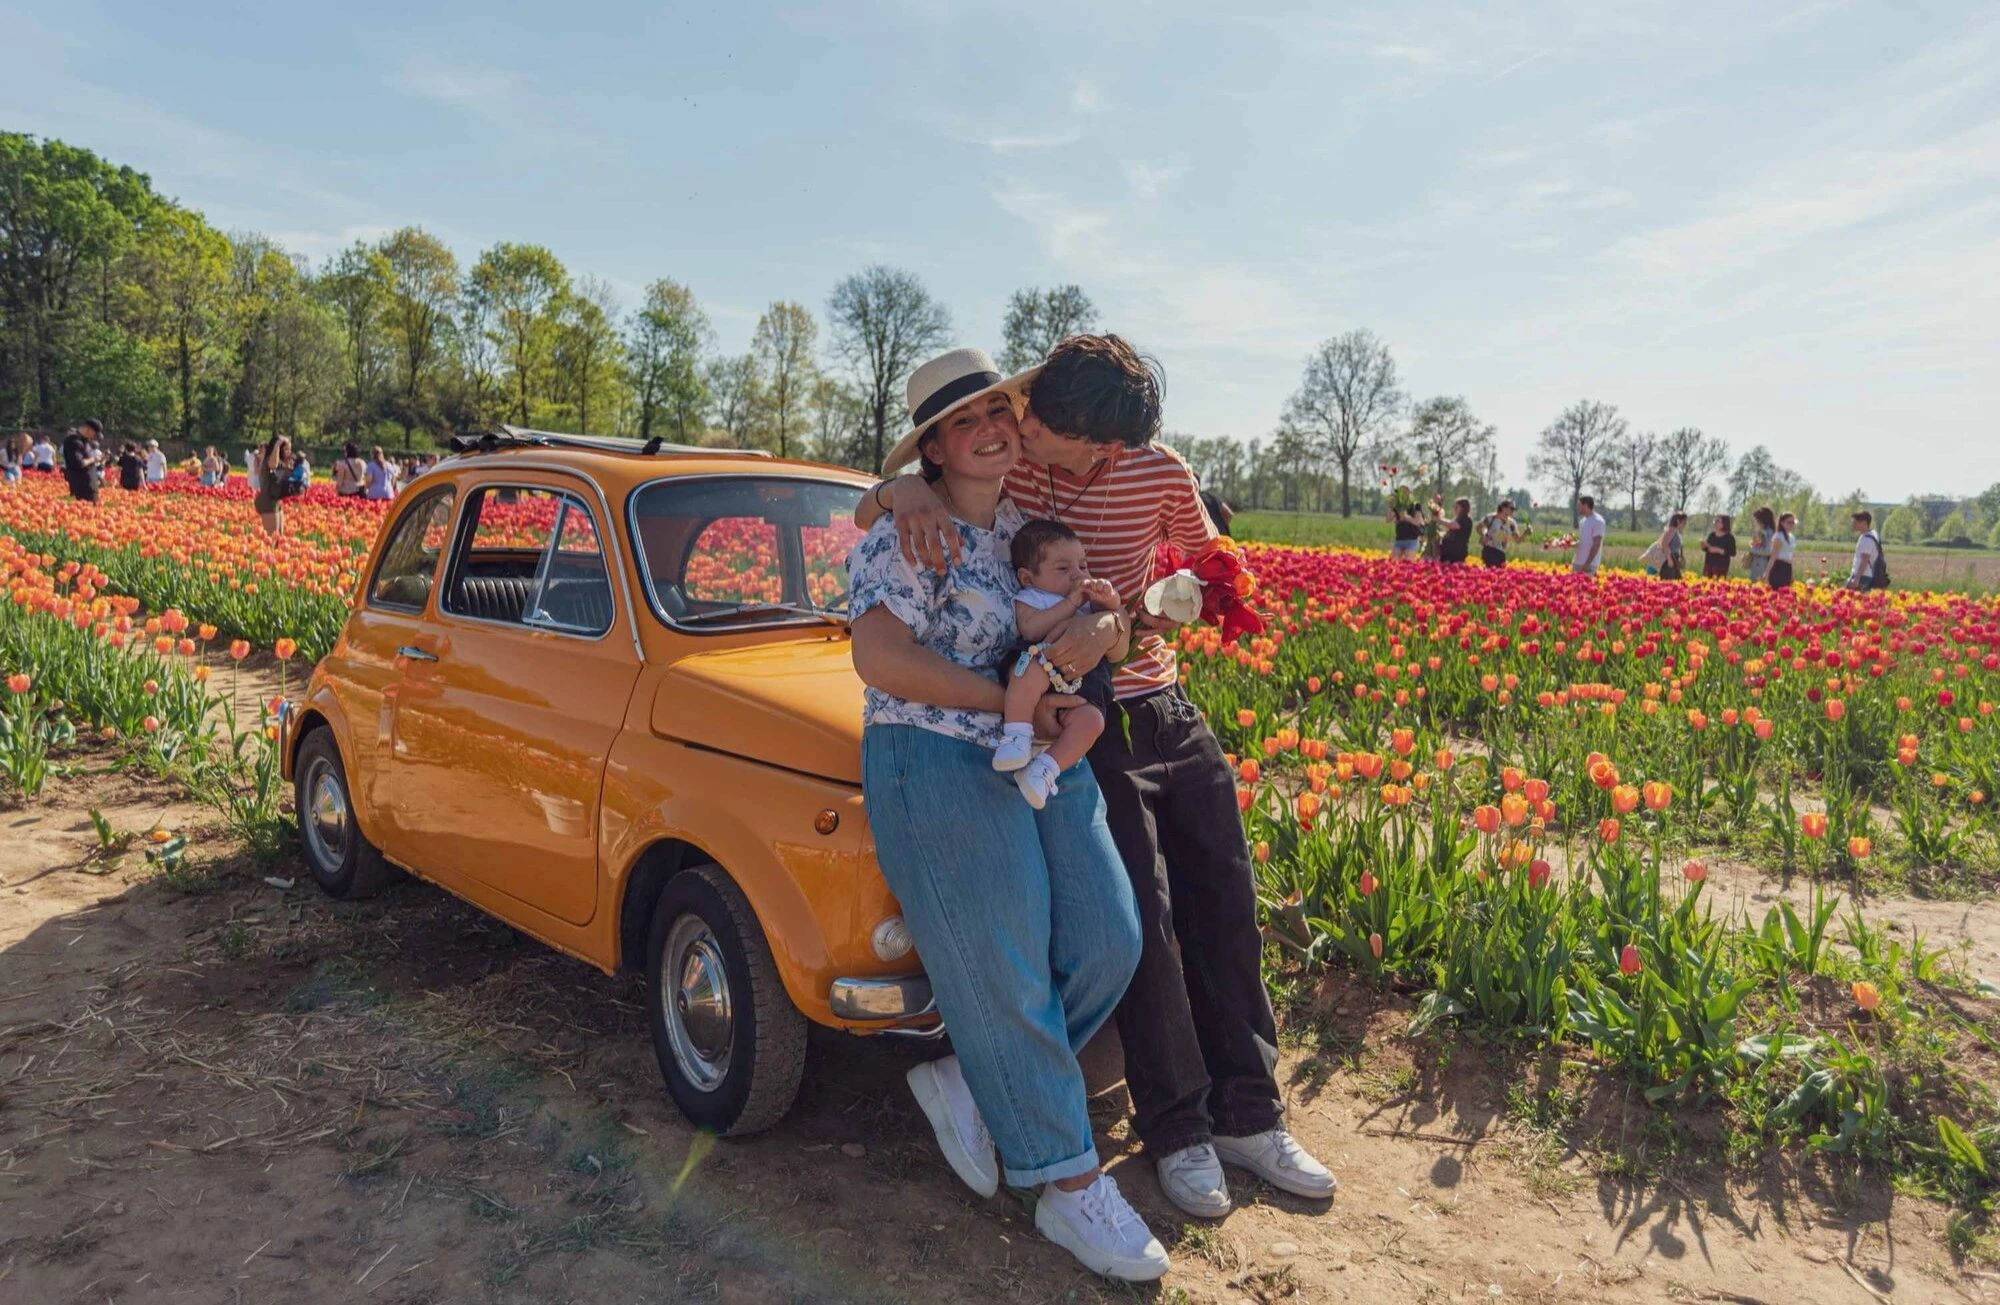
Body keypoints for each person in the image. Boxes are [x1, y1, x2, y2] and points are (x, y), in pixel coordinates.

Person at [859, 336, 1338, 1220]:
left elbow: (1210, 564)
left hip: (1162, 698)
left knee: (1226, 901)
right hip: (1081, 718)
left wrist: (1154, 609)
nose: (1021, 426)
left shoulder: (1153, 472)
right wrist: (900, 486)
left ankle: (1248, 1113)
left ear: (1102, 444)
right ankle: (1178, 1131)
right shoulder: (1016, 474)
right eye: (1019, 408)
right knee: (1142, 920)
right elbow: (896, 509)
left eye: (1037, 418)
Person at [846, 348, 1164, 1281]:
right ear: (933, 450)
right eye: (961, 421)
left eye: (997, 411)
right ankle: (1068, 1188)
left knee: (1110, 932)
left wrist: (1102, 627)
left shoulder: (1026, 531)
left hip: (1032, 745)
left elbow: (1097, 613)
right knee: (1011, 961)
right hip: (933, 753)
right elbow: (879, 658)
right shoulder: (905, 530)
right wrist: (1004, 701)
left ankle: (970, 1076)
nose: (988, 429)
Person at [995, 519, 1123, 806]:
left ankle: (1045, 770)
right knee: (1028, 672)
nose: (1078, 576)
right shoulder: (1032, 597)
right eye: (1064, 569)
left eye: (1083, 566)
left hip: (1083, 680)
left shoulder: (1089, 601)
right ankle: (1016, 735)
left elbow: (1115, 616)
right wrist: (1070, 604)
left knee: (1093, 721)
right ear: (1028, 578)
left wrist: (1109, 599)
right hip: (1040, 660)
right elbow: (1030, 629)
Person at [253, 435, 291, 535]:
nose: (289, 452)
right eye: (286, 449)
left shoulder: (282, 463)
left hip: (275, 500)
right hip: (267, 501)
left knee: (280, 535)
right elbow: (273, 465)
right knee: (273, 537)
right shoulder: (269, 460)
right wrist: (278, 444)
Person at [61, 422, 102, 503]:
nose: (94, 438)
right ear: (88, 429)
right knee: (87, 510)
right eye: (94, 435)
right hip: (83, 485)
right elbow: (78, 463)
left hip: (88, 484)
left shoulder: (83, 441)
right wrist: (94, 459)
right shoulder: (74, 441)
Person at [1847, 511, 1887, 591]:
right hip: (1868, 574)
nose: (1853, 525)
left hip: (1862, 576)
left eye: (1855, 523)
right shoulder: (1874, 534)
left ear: (1864, 522)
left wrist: (1857, 578)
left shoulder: (1866, 540)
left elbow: (1864, 560)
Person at [1478, 499, 1525, 567]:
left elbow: (1517, 540)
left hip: (1501, 552)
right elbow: (1478, 527)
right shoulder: (1491, 518)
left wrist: (1525, 533)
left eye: (1514, 509)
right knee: (1493, 571)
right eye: (1511, 508)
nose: (1513, 511)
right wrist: (1483, 536)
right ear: (1503, 508)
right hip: (1489, 550)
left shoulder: (1512, 523)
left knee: (1500, 574)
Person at [1572, 496, 1606, 575]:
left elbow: (1596, 544)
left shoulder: (1598, 521)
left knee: (1586, 587)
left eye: (1579, 505)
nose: (1577, 508)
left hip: (1589, 564)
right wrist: (1571, 543)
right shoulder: (1582, 521)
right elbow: (1583, 541)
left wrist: (1587, 563)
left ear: (1586, 505)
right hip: (1577, 561)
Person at [1387, 496, 1425, 561]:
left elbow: (1418, 522)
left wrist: (1405, 517)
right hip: (1399, 539)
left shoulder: (1415, 505)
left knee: (1408, 564)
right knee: (1394, 563)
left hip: (1411, 540)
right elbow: (1388, 520)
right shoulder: (1398, 505)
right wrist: (1390, 507)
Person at [1745, 506, 1776, 584]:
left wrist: (1752, 548)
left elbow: (1768, 551)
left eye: (1756, 520)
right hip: (1757, 563)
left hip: (1763, 564)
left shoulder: (1769, 533)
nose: (1755, 522)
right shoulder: (1762, 531)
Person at [1701, 514, 1737, 579]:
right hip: (1708, 564)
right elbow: (1708, 548)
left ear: (1724, 524)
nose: (1715, 523)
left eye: (1718, 521)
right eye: (1715, 521)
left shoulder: (1729, 538)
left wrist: (1719, 550)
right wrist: (1704, 546)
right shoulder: (1712, 535)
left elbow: (1732, 552)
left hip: (1721, 566)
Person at [1439, 497, 1473, 564]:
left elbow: (1453, 525)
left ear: (1463, 508)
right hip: (1448, 552)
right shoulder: (1457, 518)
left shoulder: (1466, 519)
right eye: (1454, 507)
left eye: (1456, 507)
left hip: (1457, 552)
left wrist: (1439, 520)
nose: (1454, 509)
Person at [1655, 511, 1687, 579]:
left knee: (1678, 581)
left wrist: (1681, 557)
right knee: (1669, 580)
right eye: (1684, 522)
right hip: (1668, 560)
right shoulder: (1672, 530)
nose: (1685, 524)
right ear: (1678, 521)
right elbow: (1664, 544)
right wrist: (1669, 559)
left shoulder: (1678, 532)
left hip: (1675, 559)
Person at [1769, 512, 1797, 589]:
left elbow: (1790, 556)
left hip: (1787, 567)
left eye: (1793, 522)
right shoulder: (1778, 536)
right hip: (1778, 567)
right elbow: (1773, 556)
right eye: (1789, 522)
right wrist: (1767, 572)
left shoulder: (1791, 537)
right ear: (1782, 523)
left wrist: (1792, 574)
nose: (1791, 524)